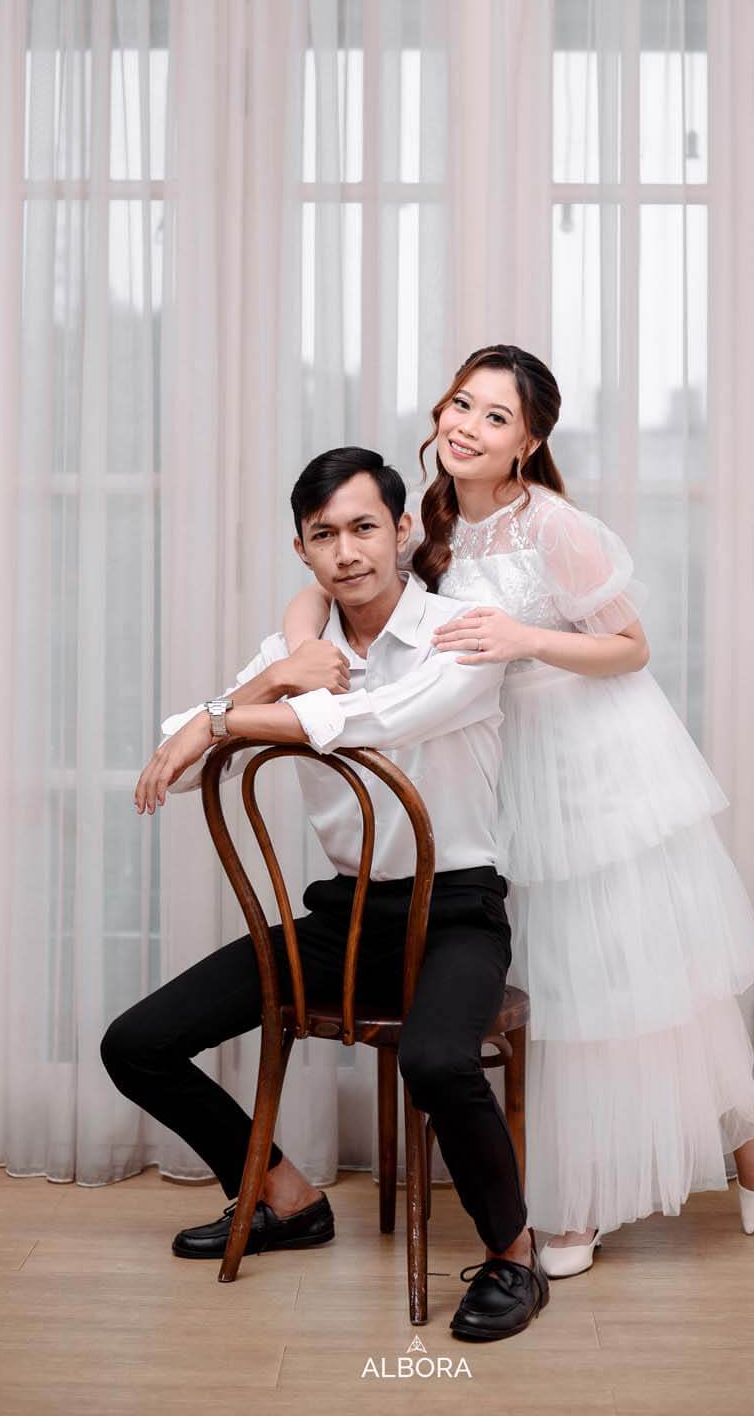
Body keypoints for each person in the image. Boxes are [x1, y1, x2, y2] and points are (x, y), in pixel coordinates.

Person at [284, 349, 754, 1279]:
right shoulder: (428, 517)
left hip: (588, 766)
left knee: (606, 981)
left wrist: (527, 639)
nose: (466, 427)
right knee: (536, 981)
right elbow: (327, 581)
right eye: (460, 404)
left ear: (528, 442)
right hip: (491, 767)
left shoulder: (554, 525)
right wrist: (296, 649)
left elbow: (630, 647)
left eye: (495, 417)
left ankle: (588, 1198)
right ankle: (742, 1119)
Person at [101, 445, 551, 1342]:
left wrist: (222, 717)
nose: (346, 552)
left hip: (456, 912)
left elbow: (374, 721)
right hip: (345, 917)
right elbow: (180, 772)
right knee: (137, 1044)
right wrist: (274, 676)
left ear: (401, 530)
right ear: (301, 549)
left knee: (436, 1060)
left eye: (363, 528)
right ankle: (286, 1198)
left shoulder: (462, 632)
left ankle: (513, 1252)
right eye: (323, 535)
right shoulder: (294, 653)